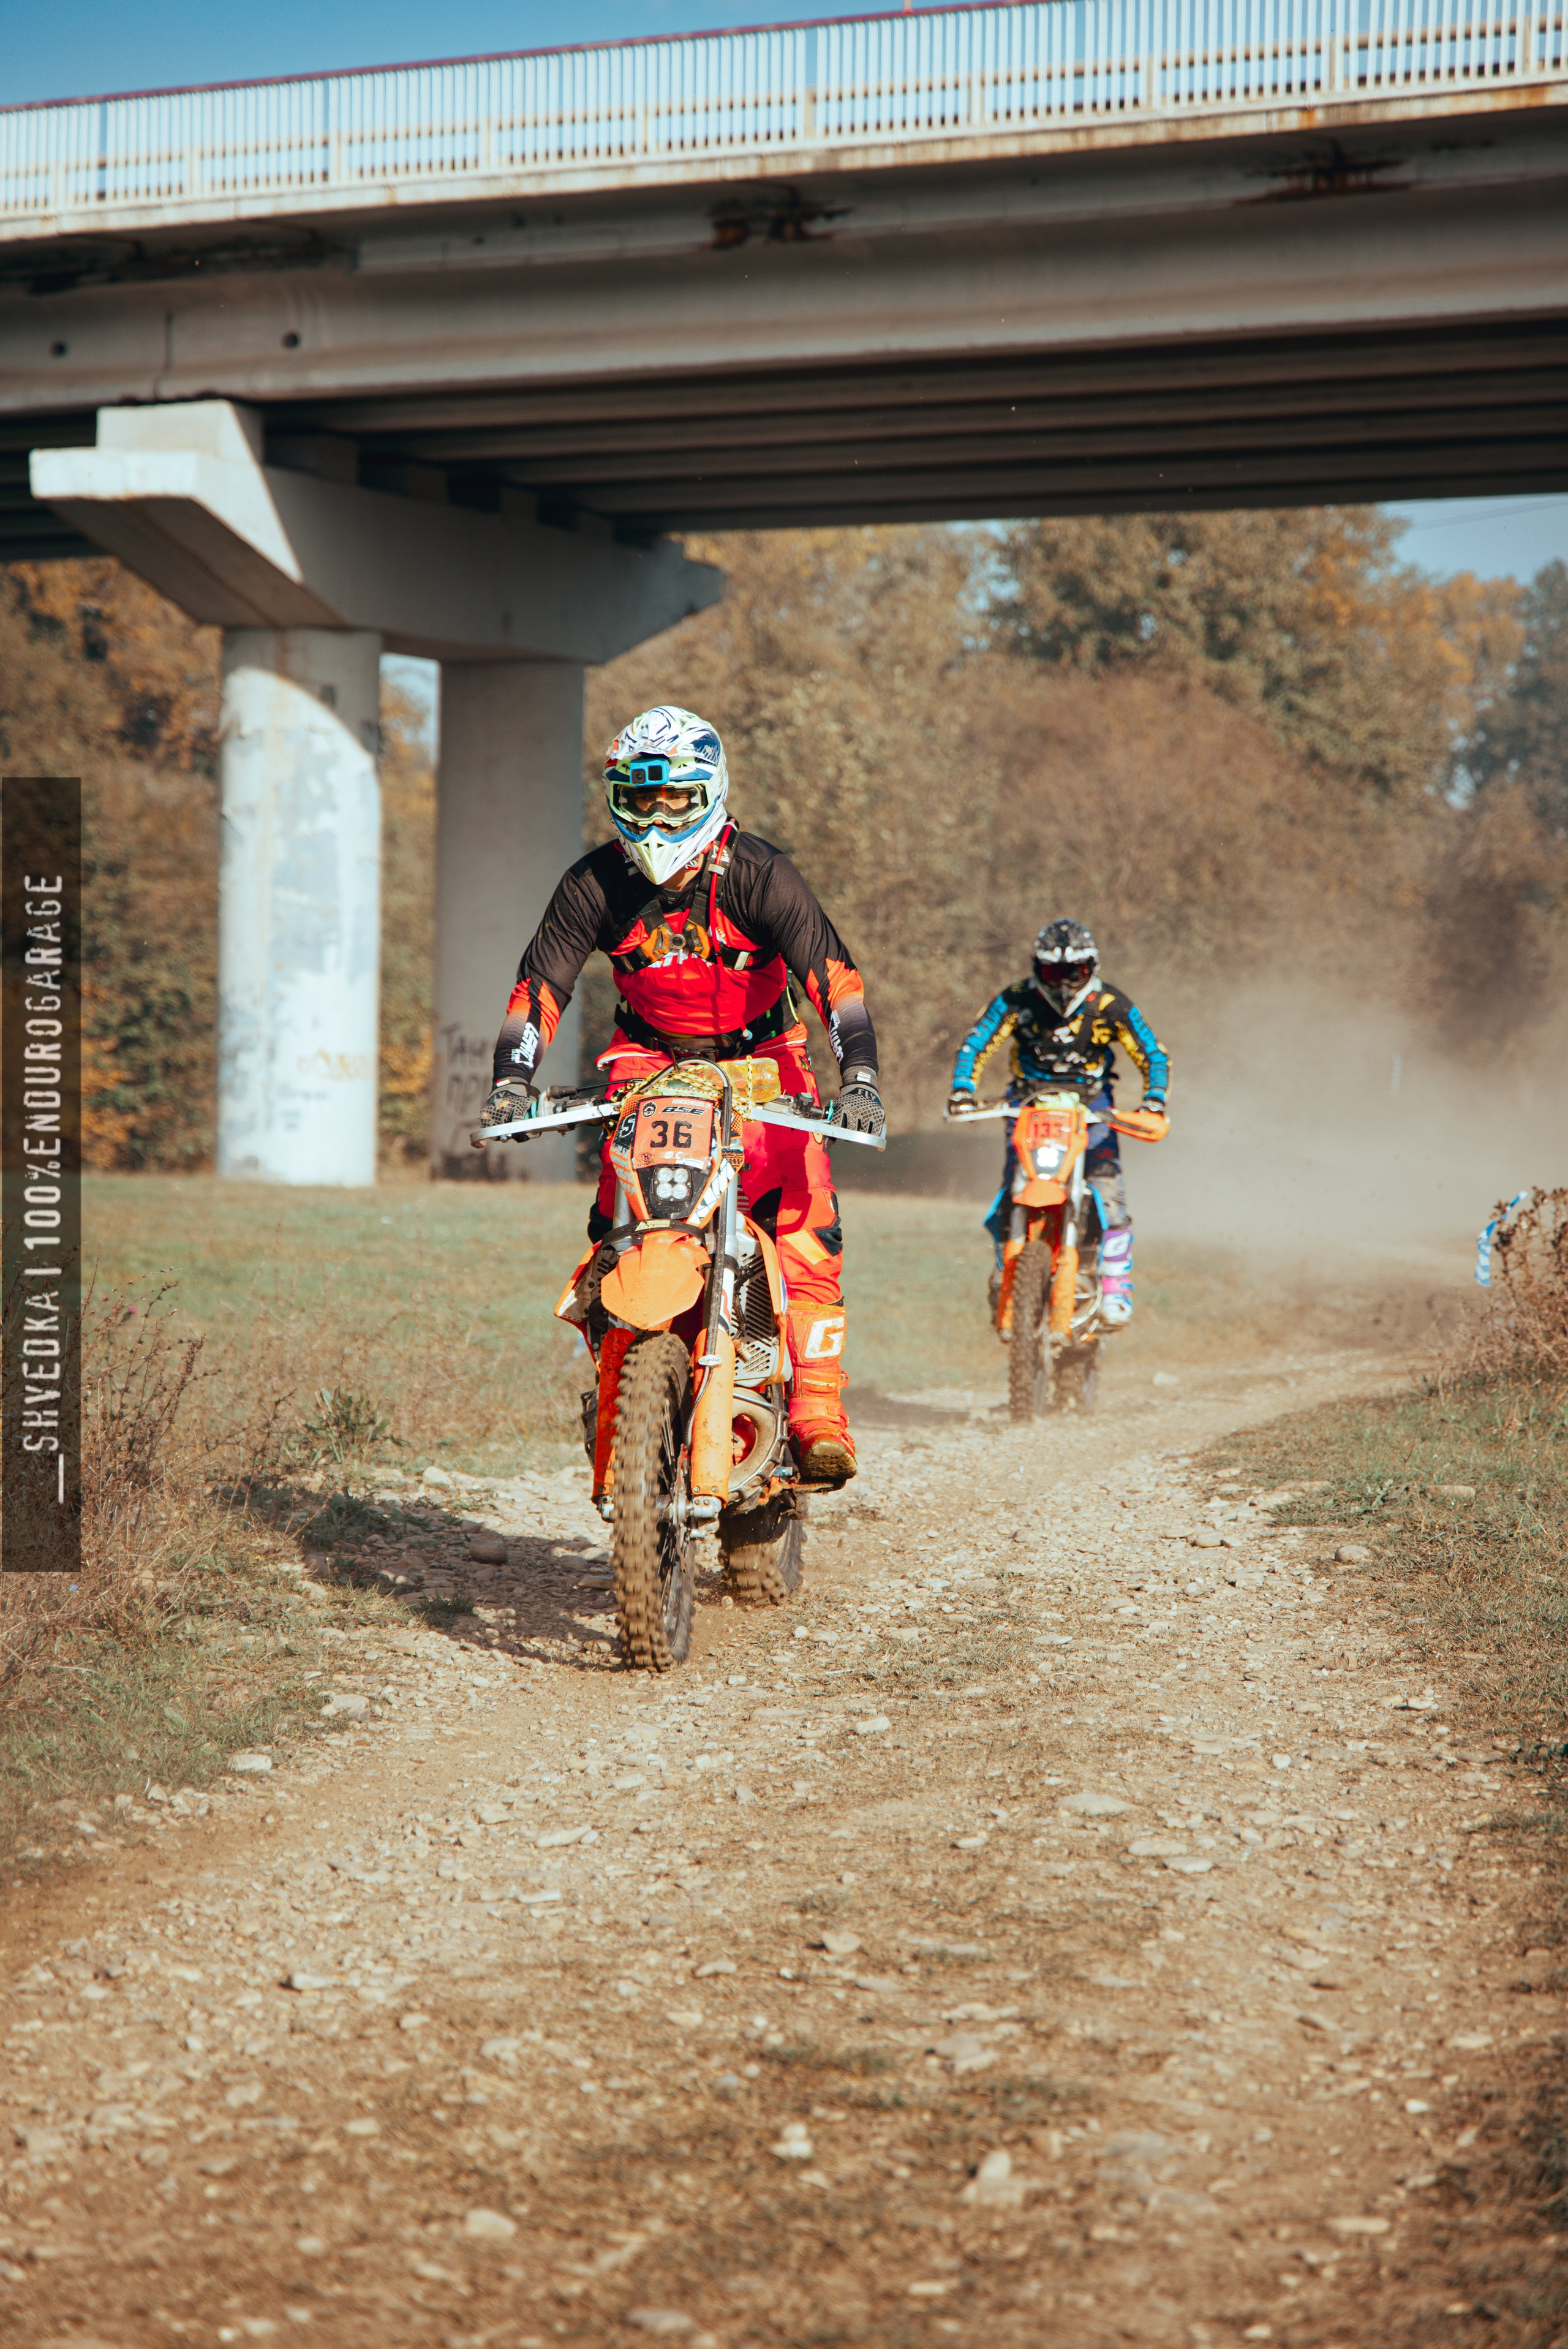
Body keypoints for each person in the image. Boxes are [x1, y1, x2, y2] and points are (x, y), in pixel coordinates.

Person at [477, 705, 884, 1488]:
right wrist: (509, 1082)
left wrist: (858, 1080)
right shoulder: (593, 882)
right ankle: (623, 1402)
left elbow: (834, 981)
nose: (657, 816)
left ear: (711, 791)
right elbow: (538, 989)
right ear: (617, 796)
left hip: (767, 1063)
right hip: (646, 1066)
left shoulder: (762, 874)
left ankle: (817, 1416)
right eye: (640, 797)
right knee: (614, 1236)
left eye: (676, 799)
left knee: (805, 1234)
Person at [947, 919, 1168, 1323]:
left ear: (1092, 968)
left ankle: (1117, 1285)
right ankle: (1006, 1272)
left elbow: (1152, 1053)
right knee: (1012, 1189)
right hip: (1028, 1105)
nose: (1064, 983)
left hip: (1092, 1106)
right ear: (1037, 968)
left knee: (1108, 1190)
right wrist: (962, 1089)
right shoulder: (1017, 1000)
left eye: (1075, 972)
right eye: (1053, 972)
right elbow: (977, 1041)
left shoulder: (1109, 1005)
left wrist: (1154, 1101)